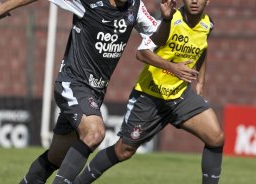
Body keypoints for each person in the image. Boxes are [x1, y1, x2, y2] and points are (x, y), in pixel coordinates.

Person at [0, 0, 192, 184]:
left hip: (95, 93)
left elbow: (158, 39)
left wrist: (166, 19)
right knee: (95, 133)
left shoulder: (135, 6)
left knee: (56, 158)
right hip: (72, 83)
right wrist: (3, 7)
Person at [73, 0, 224, 184]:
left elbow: (202, 48)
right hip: (150, 97)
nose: (194, 1)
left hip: (180, 95)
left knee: (216, 138)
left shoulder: (207, 24)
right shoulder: (169, 20)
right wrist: (173, 68)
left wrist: (200, 81)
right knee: (123, 151)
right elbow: (141, 53)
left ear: (208, 1)